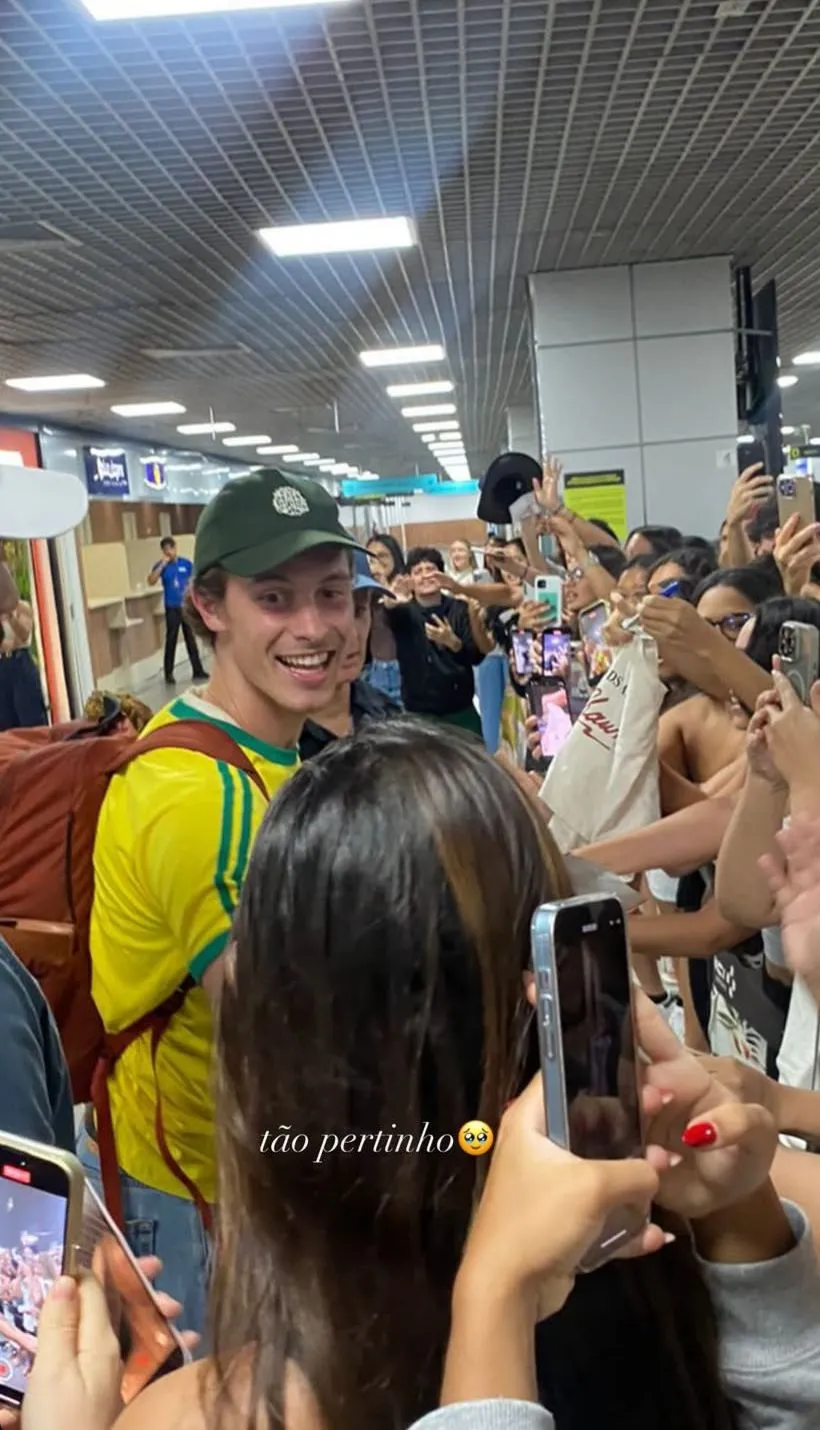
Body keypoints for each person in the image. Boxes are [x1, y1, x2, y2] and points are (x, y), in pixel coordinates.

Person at [48, 719, 812, 1430]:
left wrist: (498, 1296)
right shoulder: (724, 1235)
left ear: (276, 1056)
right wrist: (741, 1227)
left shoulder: (205, 1414)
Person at [81, 470, 360, 1338]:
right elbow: (283, 1027)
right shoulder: (197, 793)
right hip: (197, 1187)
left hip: (248, 1165)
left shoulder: (273, 752)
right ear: (209, 607)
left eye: (331, 594)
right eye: (274, 598)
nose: (313, 627)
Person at [299, 550, 398, 760]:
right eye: (332, 612)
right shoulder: (270, 740)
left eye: (359, 611)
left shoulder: (387, 717)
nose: (352, 636)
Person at [384, 546, 489, 735]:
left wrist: (453, 643)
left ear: (442, 574)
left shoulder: (460, 608)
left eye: (431, 569)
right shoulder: (402, 613)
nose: (425, 576)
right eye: (418, 572)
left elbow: (476, 656)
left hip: (460, 710)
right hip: (419, 714)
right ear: (409, 579)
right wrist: (390, 602)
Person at [147, 537, 207, 686]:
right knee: (171, 639)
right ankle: (169, 673)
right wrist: (162, 564)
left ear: (175, 548)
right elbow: (151, 580)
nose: (169, 552)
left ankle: (197, 670)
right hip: (171, 607)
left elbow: (195, 579)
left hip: (185, 605)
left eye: (171, 548)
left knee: (190, 638)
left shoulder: (185, 564)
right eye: (166, 549)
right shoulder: (162, 566)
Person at [0, 566, 47, 731]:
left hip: (20, 661)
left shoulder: (22, 607)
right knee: (6, 722)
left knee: (30, 717)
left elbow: (24, 634)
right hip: (2, 666)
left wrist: (10, 616)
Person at [363, 532, 406, 706]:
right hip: (374, 670)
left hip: (404, 670)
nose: (377, 561)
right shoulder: (367, 591)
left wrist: (384, 585)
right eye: (371, 557)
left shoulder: (405, 584)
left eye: (383, 556)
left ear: (395, 557)